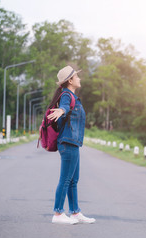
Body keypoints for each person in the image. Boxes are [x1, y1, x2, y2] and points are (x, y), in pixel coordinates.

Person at [47, 65, 96, 225]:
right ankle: (58, 213)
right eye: (77, 76)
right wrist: (61, 110)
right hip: (68, 143)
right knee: (66, 179)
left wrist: (63, 110)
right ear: (70, 80)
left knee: (74, 180)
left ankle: (75, 212)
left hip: (73, 142)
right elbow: (65, 106)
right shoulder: (66, 95)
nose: (79, 78)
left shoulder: (72, 96)